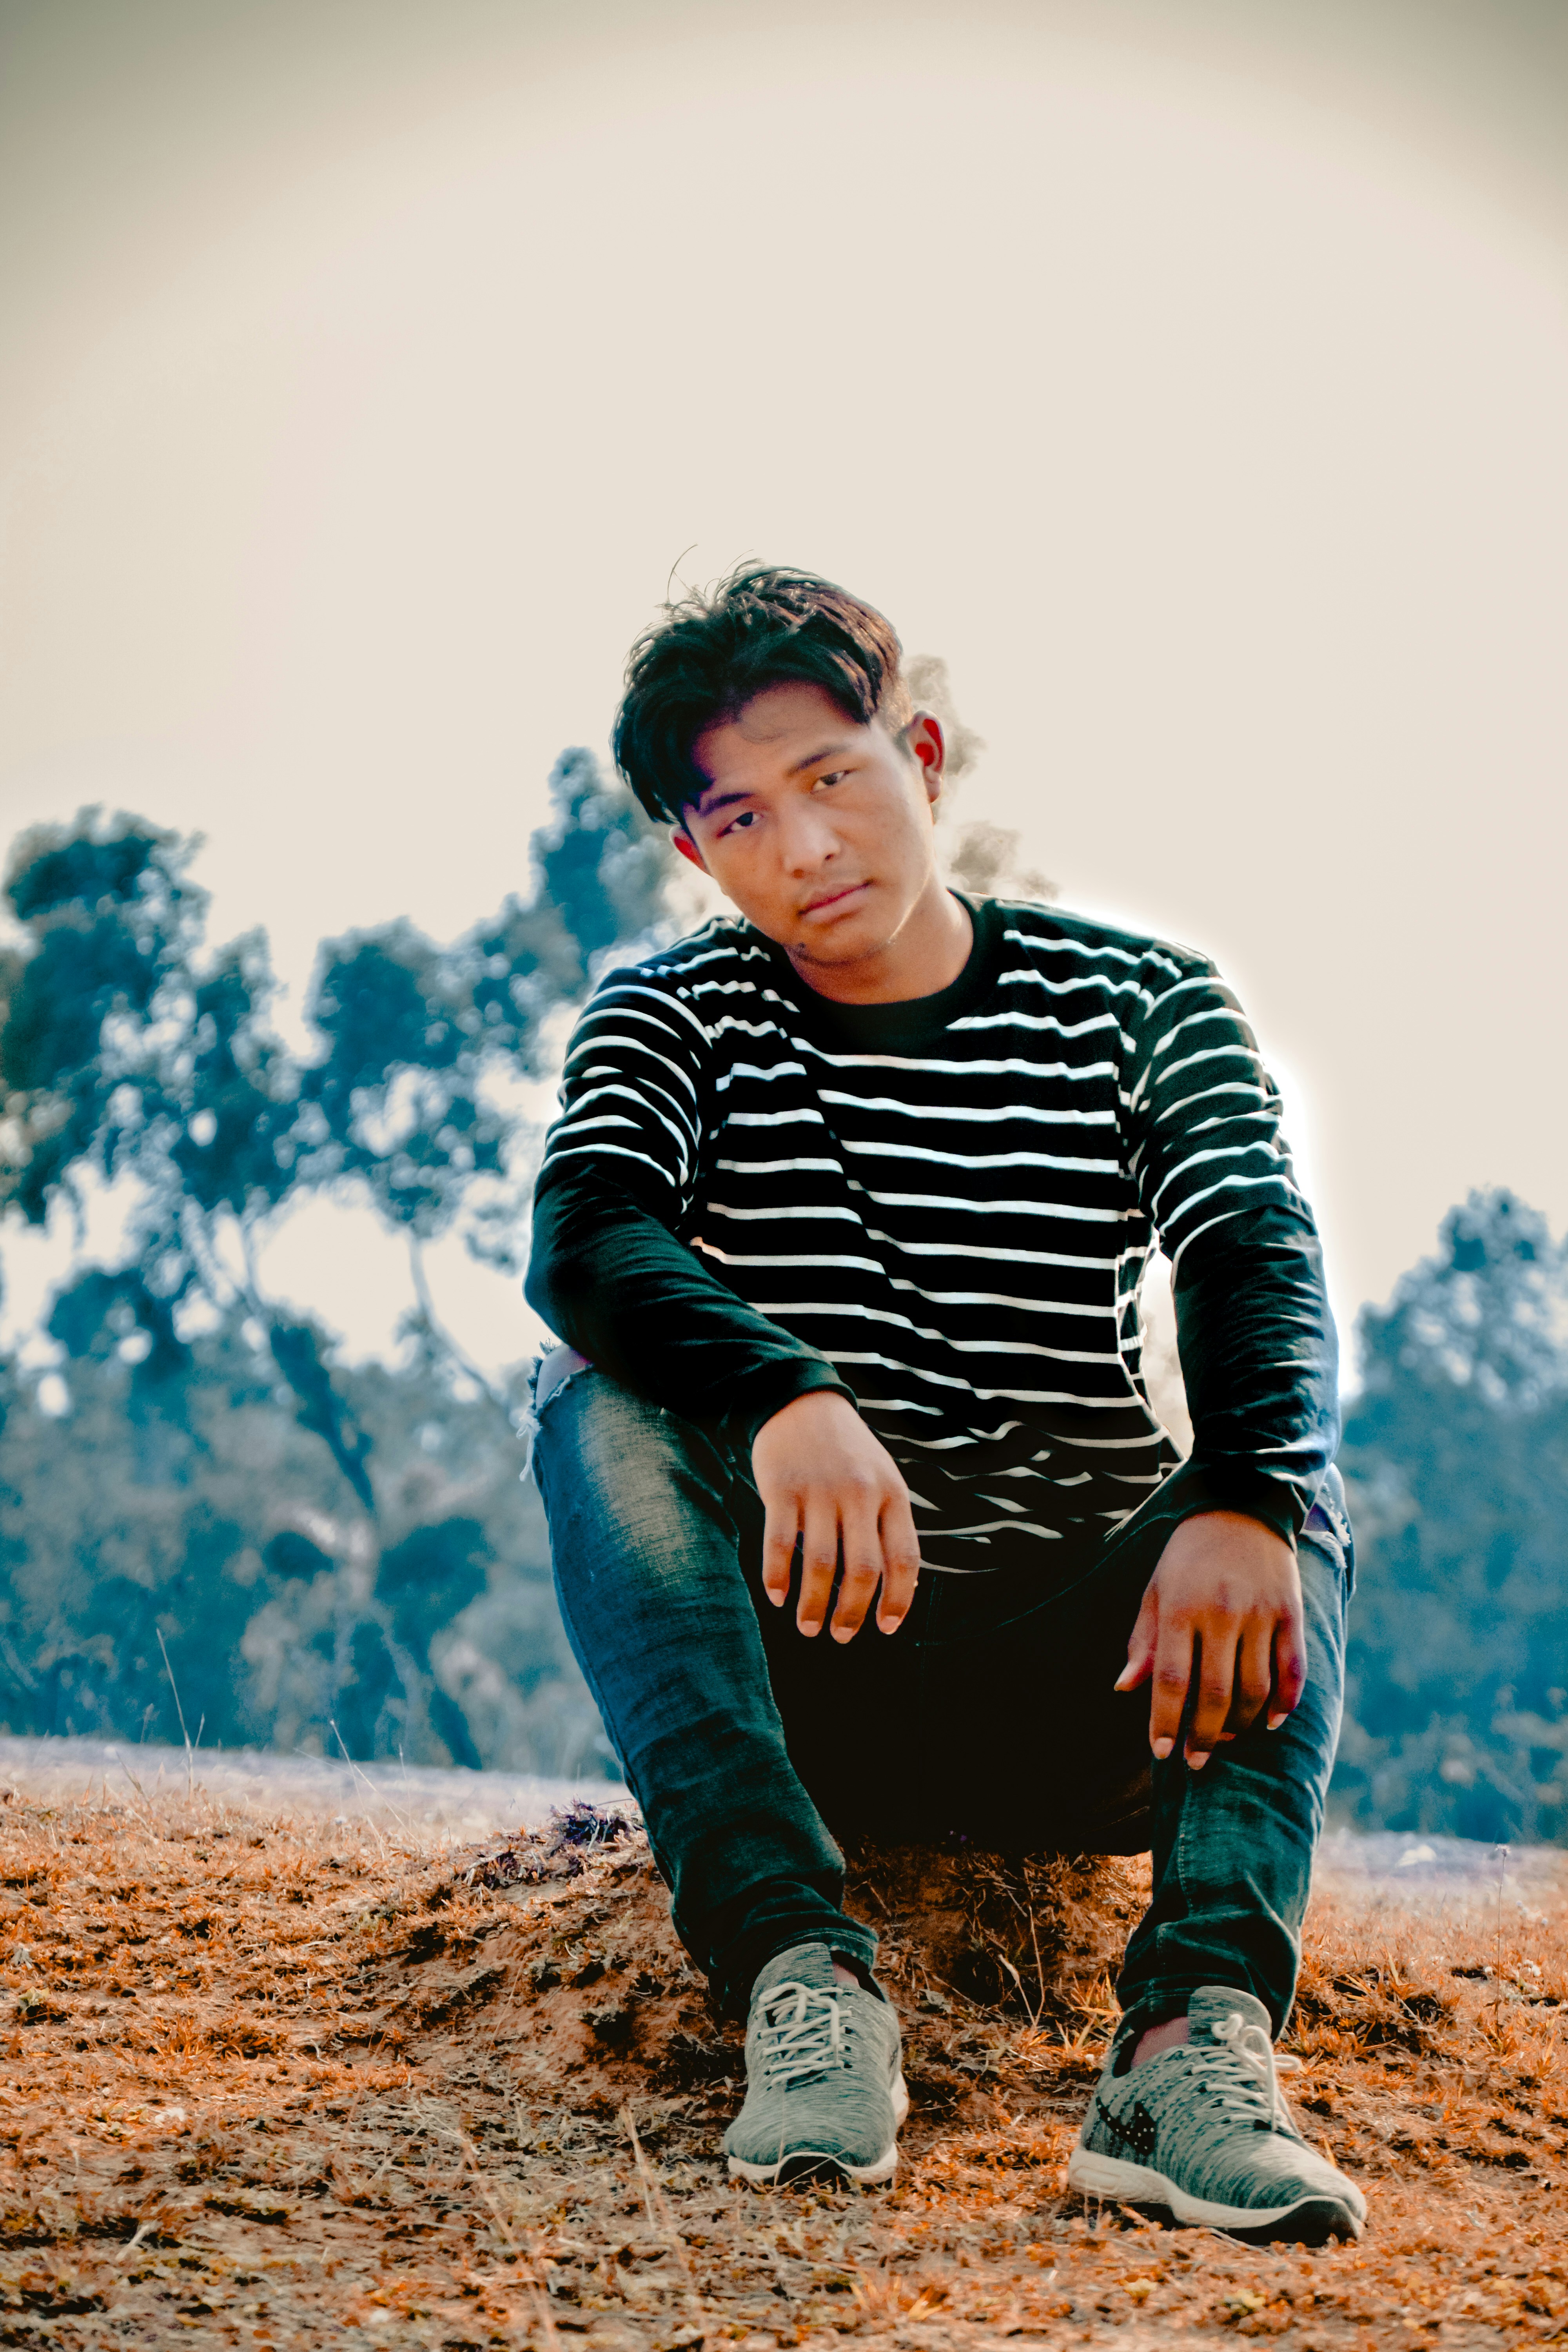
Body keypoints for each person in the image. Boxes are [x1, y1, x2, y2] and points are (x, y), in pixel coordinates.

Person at [524, 566, 1364, 2243]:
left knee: (1283, 1478)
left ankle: (1187, 2049)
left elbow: (1249, 1239)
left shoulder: (1143, 1001)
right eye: (741, 817)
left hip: (1109, 1687)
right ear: (695, 853)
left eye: (832, 779)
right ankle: (799, 1976)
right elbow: (589, 1232)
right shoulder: (673, 1012)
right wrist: (784, 1392)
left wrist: (1244, 1493)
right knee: (593, 1399)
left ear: (918, 752)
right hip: (810, 1671)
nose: (807, 849)